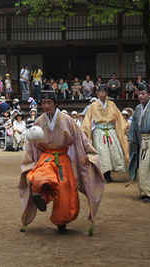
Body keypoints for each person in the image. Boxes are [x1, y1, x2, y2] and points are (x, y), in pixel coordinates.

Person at [19, 89, 104, 234]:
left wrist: (89, 154)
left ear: (55, 103)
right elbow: (32, 145)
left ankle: (61, 221)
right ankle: (43, 197)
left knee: (64, 188)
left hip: (62, 158)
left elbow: (79, 139)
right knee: (39, 177)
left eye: (49, 103)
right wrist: (29, 161)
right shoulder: (39, 121)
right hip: (46, 157)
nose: (46, 106)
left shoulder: (67, 120)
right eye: (43, 103)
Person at [81, 83, 129, 183]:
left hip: (110, 131)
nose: (102, 94)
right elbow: (88, 121)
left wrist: (124, 128)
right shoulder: (93, 106)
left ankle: (109, 173)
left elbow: (119, 118)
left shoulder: (112, 105)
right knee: (101, 152)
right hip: (99, 131)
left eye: (104, 92)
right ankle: (103, 174)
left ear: (107, 93)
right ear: (97, 94)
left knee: (113, 151)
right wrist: (86, 132)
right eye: (100, 92)